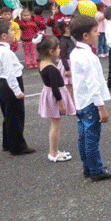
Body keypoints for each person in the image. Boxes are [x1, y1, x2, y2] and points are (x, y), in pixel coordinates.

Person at [70, 15, 111, 181]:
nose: (98, 34)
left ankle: (87, 167)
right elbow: (93, 84)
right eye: (95, 31)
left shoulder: (76, 52)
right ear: (85, 35)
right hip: (90, 103)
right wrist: (101, 107)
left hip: (81, 102)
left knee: (83, 136)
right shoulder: (88, 57)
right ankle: (96, 170)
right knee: (91, 138)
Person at [0, 19, 34, 156]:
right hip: (11, 84)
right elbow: (10, 74)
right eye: (11, 31)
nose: (14, 32)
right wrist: (17, 91)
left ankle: (8, 143)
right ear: (4, 36)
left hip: (3, 84)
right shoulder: (6, 52)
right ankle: (18, 146)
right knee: (16, 116)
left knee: (8, 115)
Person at [37, 35, 76, 163]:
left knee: (55, 124)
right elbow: (55, 88)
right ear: (51, 51)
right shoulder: (51, 68)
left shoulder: (42, 63)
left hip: (49, 93)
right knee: (55, 126)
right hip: (54, 96)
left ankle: (54, 151)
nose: (60, 50)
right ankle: (53, 152)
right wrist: (61, 104)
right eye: (58, 48)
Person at [56, 21, 75, 100]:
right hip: (66, 64)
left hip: (71, 62)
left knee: (72, 87)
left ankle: (72, 104)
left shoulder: (70, 39)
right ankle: (69, 104)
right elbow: (63, 56)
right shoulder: (63, 41)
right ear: (67, 29)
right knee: (68, 88)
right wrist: (67, 69)